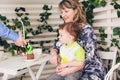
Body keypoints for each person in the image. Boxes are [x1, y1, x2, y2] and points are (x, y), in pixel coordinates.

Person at [49, 0, 105, 80]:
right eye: (61, 12)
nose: (63, 15)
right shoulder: (66, 29)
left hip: (90, 70)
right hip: (70, 70)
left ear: (75, 11)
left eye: (66, 11)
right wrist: (54, 55)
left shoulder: (86, 30)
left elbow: (90, 58)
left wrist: (69, 69)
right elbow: (55, 47)